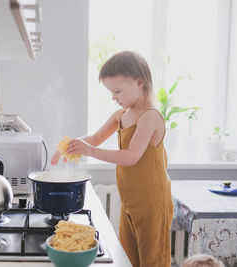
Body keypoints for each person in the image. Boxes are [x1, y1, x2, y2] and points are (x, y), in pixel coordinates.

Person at [51, 51, 174, 267]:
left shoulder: (150, 117)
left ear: (139, 83)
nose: (113, 97)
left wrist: (89, 151)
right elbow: (96, 138)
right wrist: (68, 147)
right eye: (111, 92)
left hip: (152, 203)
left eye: (117, 91)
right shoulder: (122, 115)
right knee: (129, 259)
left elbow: (131, 157)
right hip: (130, 201)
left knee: (152, 262)